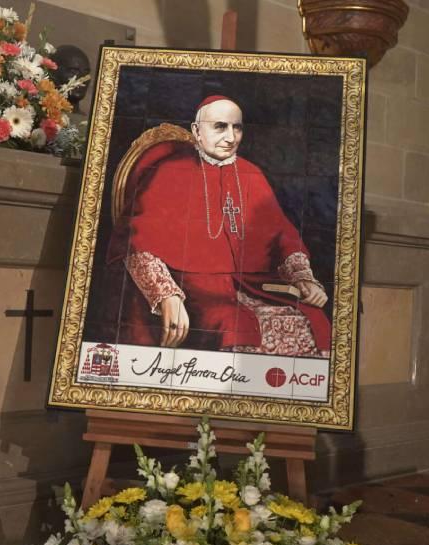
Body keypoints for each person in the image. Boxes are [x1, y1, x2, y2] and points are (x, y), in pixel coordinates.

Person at [108, 95, 332, 357]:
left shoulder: (251, 174)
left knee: (313, 320)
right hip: (190, 287)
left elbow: (282, 235)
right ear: (197, 131)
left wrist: (303, 279)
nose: (231, 137)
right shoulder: (170, 172)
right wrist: (168, 295)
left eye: (237, 128)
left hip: (250, 284)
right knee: (232, 326)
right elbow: (136, 241)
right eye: (220, 127)